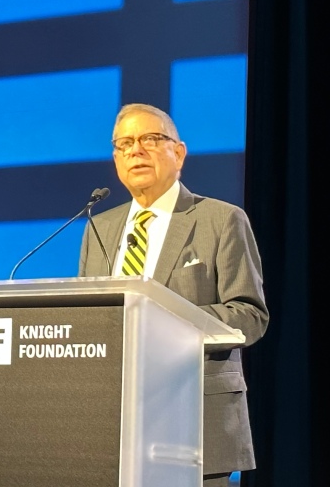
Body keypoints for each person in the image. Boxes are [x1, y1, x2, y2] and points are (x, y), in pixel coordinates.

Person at [78, 103, 268, 486]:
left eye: (150, 139)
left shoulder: (220, 219)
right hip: (113, 423)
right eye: (124, 143)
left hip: (193, 421)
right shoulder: (99, 227)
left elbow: (249, 315)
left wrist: (165, 320)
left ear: (178, 153)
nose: (136, 150)